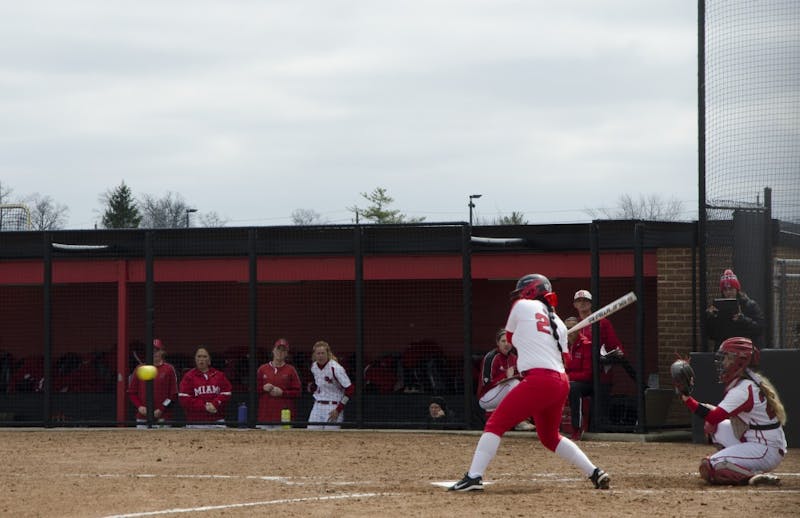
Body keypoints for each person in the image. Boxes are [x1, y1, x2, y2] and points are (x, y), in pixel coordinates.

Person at [449, 274, 610, 491]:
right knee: (550, 437)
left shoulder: (522, 306)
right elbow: (567, 360)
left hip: (539, 379)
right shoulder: (560, 324)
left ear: (531, 291)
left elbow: (511, 338)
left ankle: (474, 476)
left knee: (494, 424)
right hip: (560, 383)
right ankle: (594, 472)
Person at [678, 337, 786, 486]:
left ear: (740, 362)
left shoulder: (743, 388)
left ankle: (753, 476)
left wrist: (687, 399)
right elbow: (715, 418)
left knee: (709, 466)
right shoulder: (747, 381)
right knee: (713, 428)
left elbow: (715, 416)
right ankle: (736, 462)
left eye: (728, 358)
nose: (723, 363)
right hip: (758, 439)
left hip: (765, 449)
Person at [572, 289, 624, 426]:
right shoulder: (572, 326)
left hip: (600, 375)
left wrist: (612, 356)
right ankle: (575, 428)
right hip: (580, 375)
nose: (582, 304)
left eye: (585, 301)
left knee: (599, 418)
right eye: (579, 301)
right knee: (572, 389)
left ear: (591, 303)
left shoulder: (602, 322)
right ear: (574, 305)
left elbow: (616, 347)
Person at [476, 328, 534, 431]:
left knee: (525, 384)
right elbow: (487, 383)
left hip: (500, 396)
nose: (506, 344)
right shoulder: (491, 357)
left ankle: (520, 418)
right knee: (513, 383)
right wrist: (505, 375)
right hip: (486, 397)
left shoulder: (514, 358)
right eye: (503, 341)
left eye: (509, 341)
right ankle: (520, 421)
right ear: (497, 342)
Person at [706, 269, 765, 348]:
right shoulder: (718, 308)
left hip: (745, 348)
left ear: (737, 290)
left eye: (731, 289)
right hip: (726, 350)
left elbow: (759, 329)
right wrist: (711, 318)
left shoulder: (750, 305)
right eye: (725, 290)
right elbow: (711, 335)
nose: (728, 292)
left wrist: (744, 320)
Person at [127, 338, 178, 428]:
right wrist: (140, 407)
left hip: (163, 417)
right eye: (152, 350)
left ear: (162, 352)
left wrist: (161, 409)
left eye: (157, 350)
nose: (154, 353)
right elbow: (132, 393)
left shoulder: (169, 369)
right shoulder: (140, 368)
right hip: (143, 417)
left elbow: (173, 395)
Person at [178, 347, 232, 428]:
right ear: (195, 359)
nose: (201, 359)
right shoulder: (188, 376)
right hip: (195, 422)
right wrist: (204, 406)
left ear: (209, 360)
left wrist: (215, 403)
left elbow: (227, 393)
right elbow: (184, 398)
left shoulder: (219, 375)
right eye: (199, 356)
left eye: (204, 356)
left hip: (216, 421)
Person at [307, 341, 354, 430]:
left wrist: (338, 409)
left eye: (323, 353)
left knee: (331, 437)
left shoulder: (335, 368)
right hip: (317, 405)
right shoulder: (314, 366)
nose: (320, 356)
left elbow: (350, 389)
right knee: (311, 434)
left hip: (333, 406)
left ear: (328, 353)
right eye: (318, 353)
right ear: (314, 355)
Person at [256, 338, 301, 429]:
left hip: (284, 417)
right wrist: (263, 388)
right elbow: (253, 389)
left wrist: (283, 393)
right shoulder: (262, 369)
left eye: (283, 350)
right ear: (273, 350)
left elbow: (298, 392)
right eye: (278, 349)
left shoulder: (291, 370)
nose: (280, 352)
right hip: (264, 417)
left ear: (287, 353)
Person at [564, 316, 593, 440]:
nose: (570, 331)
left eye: (573, 328)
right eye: (567, 328)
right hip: (567, 380)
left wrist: (567, 377)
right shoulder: (562, 345)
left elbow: (587, 374)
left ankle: (577, 428)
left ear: (579, 329)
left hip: (585, 384)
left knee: (574, 388)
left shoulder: (586, 344)